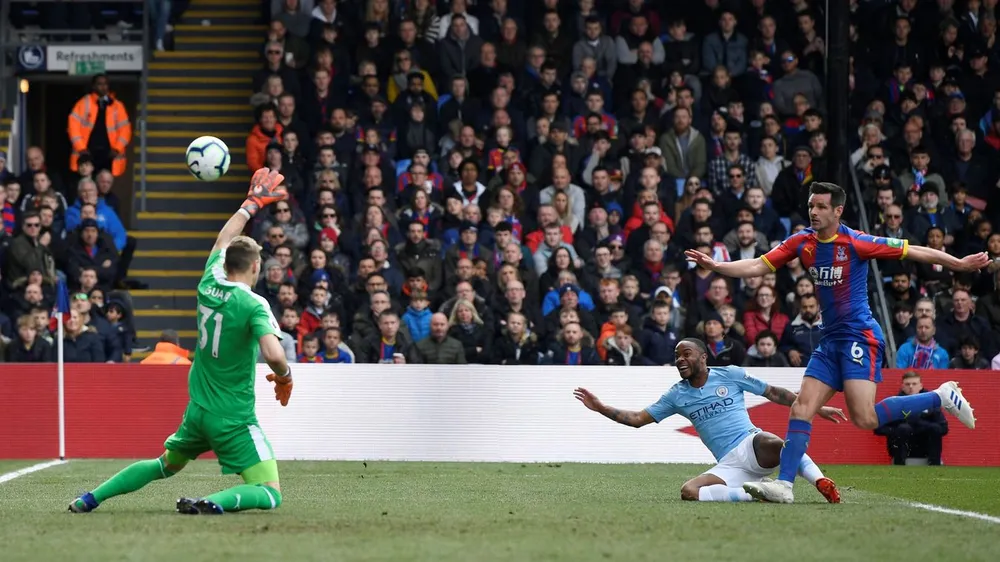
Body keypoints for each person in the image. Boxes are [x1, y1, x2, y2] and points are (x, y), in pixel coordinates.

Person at [684, 181, 981, 504]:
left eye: (821, 206)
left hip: (859, 337)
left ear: (838, 210)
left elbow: (914, 250)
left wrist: (958, 264)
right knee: (801, 407)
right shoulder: (802, 242)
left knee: (864, 418)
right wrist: (716, 266)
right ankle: (784, 485)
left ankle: (940, 396)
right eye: (811, 205)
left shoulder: (857, 242)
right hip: (830, 341)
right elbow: (758, 264)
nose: (813, 211)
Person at [69, 168, 293, 515]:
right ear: (254, 266)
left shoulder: (208, 282)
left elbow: (222, 240)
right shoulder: (253, 303)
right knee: (270, 492)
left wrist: (250, 205)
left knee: (164, 465)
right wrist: (284, 374)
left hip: (198, 410)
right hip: (233, 416)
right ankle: (211, 503)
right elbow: (273, 352)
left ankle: (91, 498)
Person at [574, 338, 844, 503]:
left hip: (750, 444)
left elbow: (774, 392)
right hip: (729, 463)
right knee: (690, 492)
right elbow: (636, 419)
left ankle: (821, 482)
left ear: (703, 357)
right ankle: (754, 493)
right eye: (677, 356)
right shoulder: (676, 395)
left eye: (686, 354)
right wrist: (600, 407)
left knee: (773, 441)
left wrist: (815, 407)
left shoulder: (729, 374)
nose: (680, 359)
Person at [873, 372, 948, 466]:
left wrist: (919, 424)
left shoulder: (931, 403)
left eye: (914, 384)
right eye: (907, 384)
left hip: (924, 446)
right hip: (900, 446)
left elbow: (943, 428)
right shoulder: (893, 404)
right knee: (903, 429)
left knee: (934, 429)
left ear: (921, 386)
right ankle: (899, 464)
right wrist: (898, 429)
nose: (911, 387)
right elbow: (878, 429)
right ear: (902, 386)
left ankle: (934, 464)